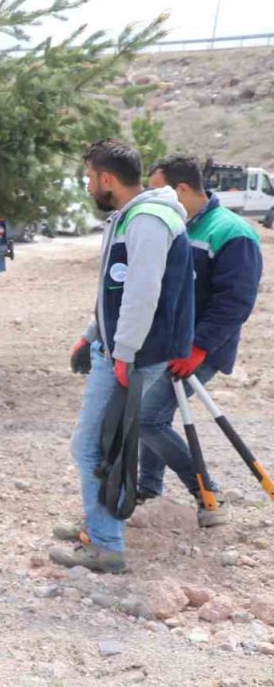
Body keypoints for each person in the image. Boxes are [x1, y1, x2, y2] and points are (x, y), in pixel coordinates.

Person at [53, 139, 194, 573]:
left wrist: (124, 353)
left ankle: (105, 543)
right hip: (118, 348)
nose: (89, 186)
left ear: (106, 178)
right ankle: (99, 520)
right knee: (106, 442)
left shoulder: (148, 221)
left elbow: (142, 293)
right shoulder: (131, 217)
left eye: (90, 179)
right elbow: (114, 290)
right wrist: (92, 335)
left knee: (92, 446)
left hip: (133, 353)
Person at [138, 155, 263, 525]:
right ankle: (148, 489)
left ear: (181, 189)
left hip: (201, 349)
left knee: (148, 419)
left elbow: (236, 301)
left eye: (156, 190)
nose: (150, 198)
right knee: (153, 413)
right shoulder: (178, 225)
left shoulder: (232, 231)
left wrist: (199, 347)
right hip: (169, 343)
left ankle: (208, 493)